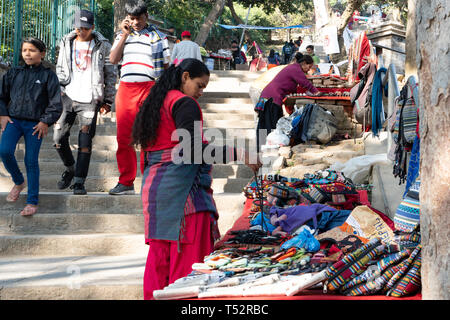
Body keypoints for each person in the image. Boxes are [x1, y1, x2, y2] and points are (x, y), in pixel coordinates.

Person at [131, 59, 261, 299]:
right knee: (189, 268)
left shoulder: (156, 101)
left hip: (156, 191)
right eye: (200, 86)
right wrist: (240, 153)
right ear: (185, 76)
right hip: (184, 196)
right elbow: (193, 149)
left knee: (159, 261)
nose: (201, 93)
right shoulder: (184, 103)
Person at [109, 0, 171, 195]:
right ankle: (126, 181)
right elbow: (113, 59)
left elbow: (167, 68)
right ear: (128, 18)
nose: (136, 22)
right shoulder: (121, 35)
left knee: (149, 137)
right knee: (124, 138)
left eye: (139, 18)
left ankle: (150, 180)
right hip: (126, 89)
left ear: (146, 16)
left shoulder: (160, 38)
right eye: (132, 18)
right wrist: (125, 35)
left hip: (151, 87)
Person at [54, 9, 117, 195]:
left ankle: (79, 182)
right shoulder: (66, 41)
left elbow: (111, 74)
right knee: (58, 139)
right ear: (74, 27)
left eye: (86, 28)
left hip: (90, 99)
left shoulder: (103, 44)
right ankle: (70, 168)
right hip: (67, 96)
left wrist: (108, 101)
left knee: (84, 141)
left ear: (93, 27)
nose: (82, 31)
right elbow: (59, 66)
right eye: (79, 28)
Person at [0, 37, 62, 215]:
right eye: (24, 50)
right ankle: (19, 182)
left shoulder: (48, 75)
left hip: (35, 125)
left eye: (32, 50)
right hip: (14, 121)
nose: (27, 53)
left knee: (31, 161)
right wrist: (3, 114)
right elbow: (1, 95)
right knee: (4, 151)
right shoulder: (13, 73)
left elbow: (56, 103)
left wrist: (45, 121)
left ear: (42, 54)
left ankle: (32, 201)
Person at [255, 54, 321, 150]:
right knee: (270, 124)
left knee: (265, 123)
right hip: (272, 98)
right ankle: (266, 149)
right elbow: (305, 83)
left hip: (268, 96)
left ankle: (261, 148)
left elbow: (293, 88)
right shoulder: (295, 69)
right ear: (304, 64)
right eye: (309, 67)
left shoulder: (293, 68)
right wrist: (316, 92)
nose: (308, 70)